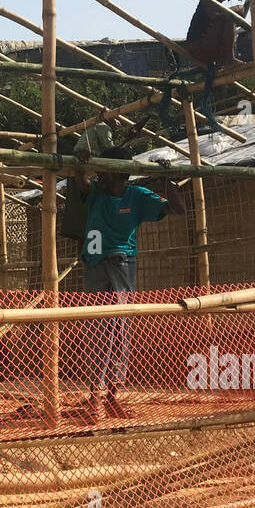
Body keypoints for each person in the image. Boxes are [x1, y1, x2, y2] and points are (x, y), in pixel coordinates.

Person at [71, 148, 186, 421]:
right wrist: (81, 164)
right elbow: (82, 181)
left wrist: (166, 182)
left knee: (120, 328)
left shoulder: (137, 196)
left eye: (106, 168)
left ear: (118, 172)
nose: (101, 173)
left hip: (123, 264)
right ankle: (95, 396)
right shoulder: (96, 193)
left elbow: (178, 209)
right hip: (96, 263)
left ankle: (111, 396)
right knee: (99, 328)